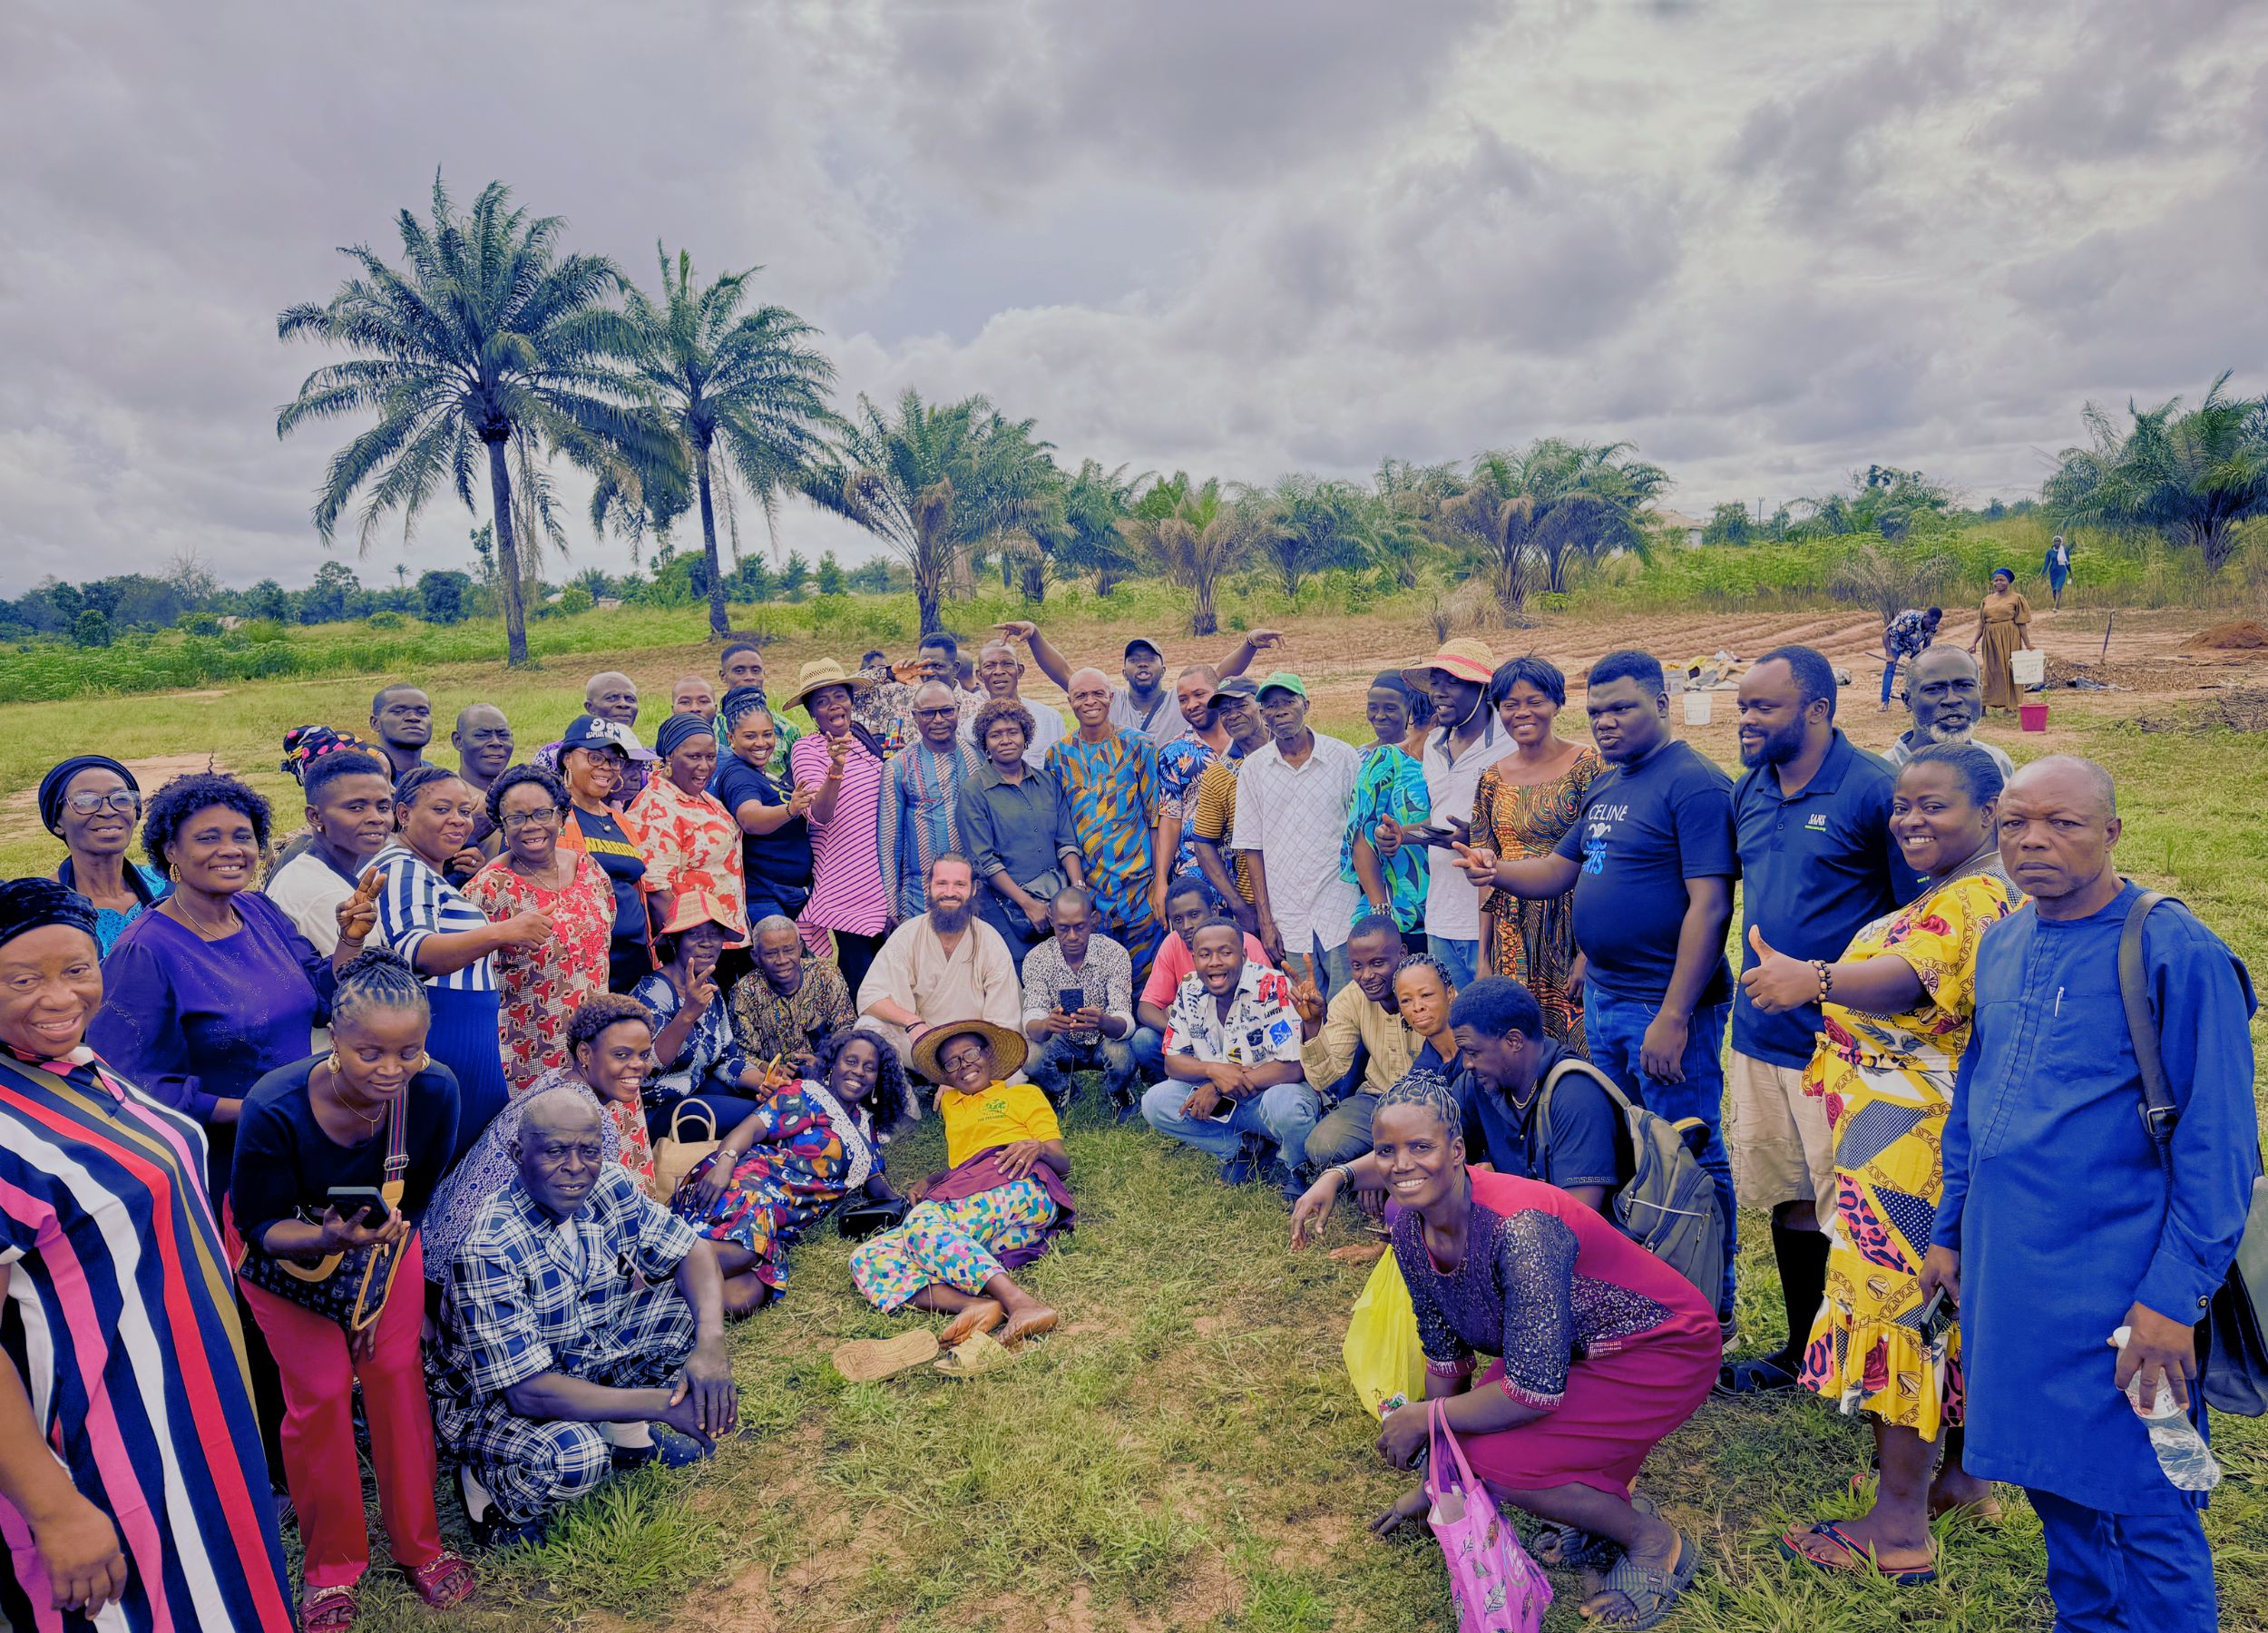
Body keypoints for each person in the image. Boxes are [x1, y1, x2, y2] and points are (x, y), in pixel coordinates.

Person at [1922, 757, 2257, 1632]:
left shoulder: (2171, 948)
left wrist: (2171, 1301)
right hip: (2014, 1284)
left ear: (2112, 832)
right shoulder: (2003, 940)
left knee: (2151, 1500)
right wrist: (1951, 1232)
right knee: (2051, 1480)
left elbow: (2221, 1149)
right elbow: (1976, 1103)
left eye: (2062, 823)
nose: (2034, 842)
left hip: (2126, 1291)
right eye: (2016, 825)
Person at [1739, 745, 2016, 1584]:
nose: (1909, 820)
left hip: (1908, 1147)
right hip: (1908, 1134)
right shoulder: (1966, 890)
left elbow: (1907, 981)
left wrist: (1814, 979)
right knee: (1943, 1313)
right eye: (1902, 805)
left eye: (1934, 805)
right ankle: (1961, 1480)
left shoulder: (1974, 897)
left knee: (1905, 1317)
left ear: (1989, 813)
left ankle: (1896, 1527)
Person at [0, 878, 297, 1633]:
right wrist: (56, 1507)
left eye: (76, 968)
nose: (58, 996)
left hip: (193, 1407)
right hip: (103, 1442)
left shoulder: (78, 1065)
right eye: (20, 979)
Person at [1328, 1077, 1715, 1629]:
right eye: (1387, 1150)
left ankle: (1654, 1542)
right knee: (1476, 1443)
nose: (1401, 1164)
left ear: (1457, 1152)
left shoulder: (1522, 1229)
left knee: (1497, 1464)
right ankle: (1596, 1508)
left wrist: (1424, 1419)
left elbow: (1532, 1393)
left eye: (1421, 1147)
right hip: (1566, 1345)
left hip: (1657, 1347)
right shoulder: (1405, 1222)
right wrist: (1437, 1481)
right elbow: (1445, 1352)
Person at [1448, 650, 1738, 1322]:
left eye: (1623, 708)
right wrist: (1494, 873)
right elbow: (1556, 869)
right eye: (1598, 710)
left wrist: (1674, 1015)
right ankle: (1632, 1290)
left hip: (1661, 1008)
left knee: (1687, 1150)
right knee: (1618, 1147)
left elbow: (1710, 907)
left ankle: (1707, 1308)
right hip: (1605, 998)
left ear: (1662, 704)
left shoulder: (1693, 784)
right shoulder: (1612, 784)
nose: (1606, 722)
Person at [228, 952, 473, 1628]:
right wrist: (328, 1245)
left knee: (395, 1375)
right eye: (370, 1052)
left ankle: (419, 1546)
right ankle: (331, 1568)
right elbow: (258, 1223)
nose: (391, 1070)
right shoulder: (273, 1105)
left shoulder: (435, 1092)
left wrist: (370, 1291)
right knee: (323, 1394)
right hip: (286, 1257)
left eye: (409, 1052)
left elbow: (415, 1203)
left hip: (382, 1245)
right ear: (333, 1037)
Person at [1721, 646, 1916, 1395]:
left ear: (1818, 710)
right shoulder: (1752, 789)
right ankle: (1802, 1351)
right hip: (1763, 1036)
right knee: (1791, 1195)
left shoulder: (1873, 792)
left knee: (1858, 1211)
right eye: (1742, 706)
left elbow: (1912, 924)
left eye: (1762, 707)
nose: (1746, 719)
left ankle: (1863, 1368)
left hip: (1848, 1044)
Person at [427, 1089, 737, 1548]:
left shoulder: (608, 1185)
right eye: (555, 1151)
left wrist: (711, 1343)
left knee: (686, 1312)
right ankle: (489, 1491)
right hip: (490, 1401)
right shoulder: (488, 1247)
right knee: (576, 1457)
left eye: (588, 1150)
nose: (575, 1167)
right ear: (518, 1154)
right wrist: (662, 1405)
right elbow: (529, 1394)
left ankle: (626, 1434)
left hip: (577, 1348)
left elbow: (692, 1250)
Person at [89, 773, 370, 1192]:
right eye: (207, 838)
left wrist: (350, 939)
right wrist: (254, 1110)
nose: (231, 850)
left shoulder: (257, 910)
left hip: (300, 1136)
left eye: (243, 836)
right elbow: (128, 1082)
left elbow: (320, 997)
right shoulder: (144, 952)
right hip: (221, 1163)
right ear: (171, 851)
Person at [1292, 973, 1628, 1230]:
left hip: (1583, 1254)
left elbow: (1580, 1224)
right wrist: (1338, 1177)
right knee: (1404, 1206)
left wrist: (1487, 1211)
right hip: (1525, 1227)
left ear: (1513, 1041)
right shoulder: (1480, 1083)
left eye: (1473, 1052)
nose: (1465, 1063)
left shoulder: (1575, 1094)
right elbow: (1419, 1145)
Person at [847, 1022, 1069, 1345]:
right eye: (953, 1063)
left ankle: (1022, 1304)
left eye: (971, 1054)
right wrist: (932, 1179)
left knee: (922, 1223)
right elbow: (966, 1166)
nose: (965, 1066)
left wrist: (1039, 1147)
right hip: (982, 1206)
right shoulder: (951, 1105)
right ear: (946, 1075)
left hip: (1022, 1185)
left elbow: (1062, 1164)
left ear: (989, 1055)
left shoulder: (1024, 1094)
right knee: (868, 1258)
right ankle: (979, 1306)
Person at [367, 765, 545, 1164]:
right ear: (404, 814)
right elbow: (417, 952)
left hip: (465, 1041)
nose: (457, 821)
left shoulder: (429, 873)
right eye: (442, 809)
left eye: (465, 812)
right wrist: (504, 932)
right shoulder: (401, 868)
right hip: (444, 1035)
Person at [673, 1027, 906, 1315]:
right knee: (742, 1253)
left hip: (778, 1224)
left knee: (742, 1299)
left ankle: (656, 1279)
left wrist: (905, 1203)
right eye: (851, 1061)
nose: (859, 1071)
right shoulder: (806, 1094)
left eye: (869, 1068)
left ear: (877, 1080)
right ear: (832, 1064)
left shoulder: (864, 1125)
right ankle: (654, 1267)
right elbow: (751, 1128)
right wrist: (725, 1161)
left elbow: (874, 1179)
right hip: (748, 1185)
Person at [421, 999, 640, 1283]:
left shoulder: (553, 1079)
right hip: (474, 1274)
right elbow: (595, 1227)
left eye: (642, 1055)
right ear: (585, 1053)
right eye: (621, 1055)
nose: (636, 1066)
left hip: (430, 1250)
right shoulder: (593, 1123)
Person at [1467, 656, 1600, 1048]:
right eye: (1509, 705)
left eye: (1535, 701)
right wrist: (1484, 957)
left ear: (1557, 703)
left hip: (1574, 928)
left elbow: (1603, 863)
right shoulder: (1491, 778)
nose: (1522, 713)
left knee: (1581, 1046)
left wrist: (1588, 954)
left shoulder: (1588, 766)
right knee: (1520, 1045)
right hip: (1513, 934)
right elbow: (1484, 872)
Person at [1140, 919, 1318, 1199]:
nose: (1215, 962)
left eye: (1226, 952)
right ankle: (1243, 1148)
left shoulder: (1272, 986)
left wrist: (1217, 1087)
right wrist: (1213, 1071)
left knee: (1288, 1106)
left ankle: (1297, 1167)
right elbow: (1171, 1063)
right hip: (1227, 1103)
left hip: (1266, 1096)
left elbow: (1294, 1068)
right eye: (1205, 954)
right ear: (1194, 958)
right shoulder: (1188, 989)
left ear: (1244, 956)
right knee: (1155, 1102)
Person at [463, 766, 613, 1093]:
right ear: (502, 826)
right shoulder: (488, 888)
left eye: (542, 814)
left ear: (561, 816)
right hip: (531, 1054)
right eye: (516, 818)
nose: (531, 826)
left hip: (598, 1045)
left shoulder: (589, 869)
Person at [1234, 672, 1361, 994]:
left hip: (1340, 906)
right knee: (1305, 1009)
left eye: (1288, 702)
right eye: (1271, 706)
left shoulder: (1343, 757)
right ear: (1263, 716)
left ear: (1306, 704)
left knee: (1351, 1003)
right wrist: (1265, 919)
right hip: (1288, 915)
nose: (1280, 711)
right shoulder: (1254, 769)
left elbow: (1360, 834)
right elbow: (1252, 847)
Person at [1394, 639, 1503, 987]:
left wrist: (1476, 838)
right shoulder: (1434, 745)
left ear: (1482, 689)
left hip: (1491, 918)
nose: (1439, 693)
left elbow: (1528, 829)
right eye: (1435, 683)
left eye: (1452, 683)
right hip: (1441, 916)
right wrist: (1403, 834)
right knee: (1455, 1025)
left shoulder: (1509, 741)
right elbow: (1441, 820)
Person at [857, 854, 1022, 1079]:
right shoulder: (909, 934)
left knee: (1013, 1076)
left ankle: (960, 1084)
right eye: (942, 884)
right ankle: (905, 1104)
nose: (950, 892)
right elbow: (871, 996)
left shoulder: (990, 941)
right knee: (868, 1027)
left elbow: (1003, 1024)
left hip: (974, 1056)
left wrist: (962, 1063)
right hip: (920, 1045)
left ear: (974, 889)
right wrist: (912, 1022)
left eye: (959, 884)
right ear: (929, 887)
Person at [994, 620, 1282, 748]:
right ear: (1123, 671)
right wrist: (1035, 636)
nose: (1142, 663)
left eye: (1149, 658)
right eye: (1134, 659)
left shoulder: (1179, 701)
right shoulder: (1109, 701)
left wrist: (1249, 644)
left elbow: (1216, 675)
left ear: (1164, 668)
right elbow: (1067, 675)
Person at [1047, 667, 1164, 983]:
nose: (1090, 701)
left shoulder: (1139, 746)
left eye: (1098, 693)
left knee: (1145, 984)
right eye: (1080, 695)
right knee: (1101, 988)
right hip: (1090, 898)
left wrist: (1160, 881)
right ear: (1069, 702)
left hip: (1140, 892)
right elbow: (1061, 828)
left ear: (1111, 697)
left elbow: (1156, 818)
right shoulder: (1058, 756)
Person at [786, 660, 892, 995]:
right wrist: (835, 768)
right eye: (821, 701)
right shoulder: (807, 749)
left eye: (839, 696)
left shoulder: (864, 741)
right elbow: (819, 814)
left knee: (891, 973)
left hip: (880, 877)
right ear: (812, 713)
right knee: (863, 980)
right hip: (846, 882)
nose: (834, 705)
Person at [961, 696, 1088, 971]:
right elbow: (984, 860)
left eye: (1012, 732)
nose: (1005, 740)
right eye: (995, 735)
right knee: (1019, 983)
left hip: (1057, 910)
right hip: (1007, 914)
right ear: (985, 743)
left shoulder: (1047, 782)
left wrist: (1078, 893)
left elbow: (1066, 843)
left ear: (1025, 736)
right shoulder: (974, 790)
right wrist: (1028, 904)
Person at [634, 904, 782, 1132]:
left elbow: (726, 1057)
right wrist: (687, 1016)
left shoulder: (710, 987)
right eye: (693, 934)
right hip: (657, 1108)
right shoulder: (653, 991)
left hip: (696, 1089)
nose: (706, 942)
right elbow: (648, 1066)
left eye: (714, 934)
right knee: (766, 1118)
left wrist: (764, 1082)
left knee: (774, 1101)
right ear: (674, 942)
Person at [1290, 914, 1416, 1168]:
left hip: (1427, 1104)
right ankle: (1376, 1163)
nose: (1366, 976)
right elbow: (1323, 1078)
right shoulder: (1350, 998)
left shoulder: (1428, 987)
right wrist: (1312, 1025)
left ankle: (1374, 1166)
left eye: (1377, 963)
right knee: (1320, 1146)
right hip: (1376, 1100)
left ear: (1402, 954)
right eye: (1357, 966)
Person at [552, 714, 659, 993]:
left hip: (633, 960)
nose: (607, 768)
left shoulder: (619, 819)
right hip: (583, 966)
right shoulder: (553, 817)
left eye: (614, 760)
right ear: (567, 759)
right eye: (595, 757)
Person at [628, 710, 748, 944]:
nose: (705, 766)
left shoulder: (703, 797)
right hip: (698, 943)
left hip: (728, 934)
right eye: (694, 757)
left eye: (711, 757)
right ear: (670, 757)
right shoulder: (655, 808)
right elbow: (657, 891)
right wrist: (689, 950)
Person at [1133, 874, 1273, 1075]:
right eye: (1178, 919)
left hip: (1246, 1043)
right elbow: (1146, 1008)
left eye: (1194, 914)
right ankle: (1187, 1084)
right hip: (1194, 1043)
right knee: (1143, 1040)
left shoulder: (1246, 943)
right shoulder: (1173, 944)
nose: (1187, 926)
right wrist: (1185, 1033)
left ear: (1214, 911)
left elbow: (1270, 1008)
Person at [265, 749, 398, 955]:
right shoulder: (329, 897)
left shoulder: (308, 865)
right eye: (356, 807)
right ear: (315, 817)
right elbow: (364, 982)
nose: (376, 818)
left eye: (383, 806)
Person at [1019, 886, 1139, 1114]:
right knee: (1030, 1056)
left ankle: (1117, 1090)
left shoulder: (1114, 953)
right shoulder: (1037, 958)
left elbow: (1126, 1020)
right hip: (1061, 1042)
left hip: (1104, 1040)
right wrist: (1046, 1025)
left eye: (1080, 927)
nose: (1072, 936)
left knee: (1122, 1057)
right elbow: (1031, 1017)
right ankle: (1062, 1088)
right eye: (1063, 928)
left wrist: (1104, 1021)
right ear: (1051, 920)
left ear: (1093, 921)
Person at [38, 755, 169, 955]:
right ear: (57, 822)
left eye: (121, 799)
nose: (107, 812)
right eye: (85, 801)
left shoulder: (170, 885)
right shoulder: (40, 908)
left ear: (135, 815)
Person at [710, 686, 816, 926]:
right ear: (730, 738)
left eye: (767, 734)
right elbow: (749, 817)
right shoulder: (738, 775)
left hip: (785, 894)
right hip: (764, 896)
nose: (761, 743)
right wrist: (790, 809)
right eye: (750, 736)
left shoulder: (758, 773)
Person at [879, 681, 982, 923]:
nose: (938, 720)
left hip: (973, 892)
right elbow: (889, 841)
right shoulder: (898, 766)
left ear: (958, 710)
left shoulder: (977, 757)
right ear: (915, 716)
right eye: (928, 713)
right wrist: (891, 905)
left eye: (946, 711)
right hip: (920, 895)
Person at [1342, 673, 1432, 938]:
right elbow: (1362, 837)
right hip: (1399, 913)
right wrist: (1381, 910)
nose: (1380, 715)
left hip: (1444, 910)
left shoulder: (1450, 762)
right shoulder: (1386, 760)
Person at [1150, 664, 1239, 923]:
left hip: (1246, 868)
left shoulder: (1246, 742)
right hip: (1195, 870)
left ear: (1218, 693)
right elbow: (1170, 817)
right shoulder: (1173, 752)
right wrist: (1161, 882)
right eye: (1183, 699)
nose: (1192, 704)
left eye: (1200, 694)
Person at [727, 914, 856, 1087]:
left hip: (829, 1075)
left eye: (788, 950)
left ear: (800, 948)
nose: (781, 960)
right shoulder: (745, 992)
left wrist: (825, 1060)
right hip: (775, 1084)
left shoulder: (826, 975)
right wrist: (768, 1068)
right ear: (755, 956)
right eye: (771, 953)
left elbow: (847, 1028)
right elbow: (741, 1052)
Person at [1187, 677, 1270, 933]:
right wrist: (1241, 909)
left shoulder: (1291, 755)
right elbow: (1203, 845)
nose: (1232, 715)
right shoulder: (1219, 775)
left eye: (1241, 706)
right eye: (1225, 711)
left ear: (1261, 707)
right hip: (1254, 902)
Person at [1883, 646, 2014, 781]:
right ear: (1907, 701)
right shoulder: (1884, 775)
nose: (1952, 700)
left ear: (1980, 692)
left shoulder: (1998, 762)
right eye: (1934, 689)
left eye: (1965, 686)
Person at [535, 671, 651, 807]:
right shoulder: (551, 755)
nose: (623, 704)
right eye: (612, 698)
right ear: (590, 707)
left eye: (630, 699)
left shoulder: (642, 755)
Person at [964, 639, 1066, 768]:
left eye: (1007, 664)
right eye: (989, 666)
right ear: (980, 675)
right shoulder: (969, 728)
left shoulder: (1050, 719)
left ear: (1020, 671)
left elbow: (1062, 768)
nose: (998, 671)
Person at [719, 639, 801, 779]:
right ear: (723, 676)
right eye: (739, 671)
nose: (749, 677)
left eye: (756, 670)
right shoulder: (711, 727)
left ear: (764, 674)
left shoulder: (787, 730)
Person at [450, 704, 516, 854]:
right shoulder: (442, 796)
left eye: (503, 735)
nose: (496, 742)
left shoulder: (525, 793)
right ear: (458, 741)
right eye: (482, 735)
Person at [1968, 567, 2034, 712]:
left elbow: (2021, 623)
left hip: (2010, 637)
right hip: (1990, 638)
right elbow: (1981, 624)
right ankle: (1983, 706)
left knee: (2010, 670)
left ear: (2008, 582)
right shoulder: (1987, 600)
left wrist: (2028, 644)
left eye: (2002, 580)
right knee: (1989, 670)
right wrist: (1974, 642)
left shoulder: (2016, 598)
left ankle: (2010, 706)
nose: (1998, 583)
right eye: (1996, 580)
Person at [914, 631, 987, 736]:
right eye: (924, 666)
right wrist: (890, 673)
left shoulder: (978, 709)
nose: (929, 672)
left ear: (955, 668)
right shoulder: (903, 699)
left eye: (937, 666)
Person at [850, 650, 916, 758]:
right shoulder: (854, 703)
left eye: (883, 668)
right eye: (876, 671)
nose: (882, 679)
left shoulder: (897, 700)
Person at [1878, 607, 1943, 711]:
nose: (1931, 626)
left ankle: (1909, 701)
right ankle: (1884, 702)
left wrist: (1923, 661)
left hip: (1912, 646)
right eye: (1930, 623)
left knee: (1918, 671)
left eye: (1934, 624)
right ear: (1926, 616)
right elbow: (1885, 633)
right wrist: (1889, 654)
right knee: (1890, 669)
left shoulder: (1933, 628)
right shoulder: (1908, 619)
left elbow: (1926, 645)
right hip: (1896, 642)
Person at [368, 685, 435, 781]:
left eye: (423, 712)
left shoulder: (437, 777)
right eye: (399, 711)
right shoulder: (361, 777)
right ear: (375, 723)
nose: (413, 717)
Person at [2044, 533, 2073, 609]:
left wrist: (2070, 573)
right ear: (2053, 542)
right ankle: (2057, 606)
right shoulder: (2049, 552)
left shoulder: (2064, 551)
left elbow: (2067, 562)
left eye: (2059, 541)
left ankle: (2055, 606)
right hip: (2053, 572)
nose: (2057, 542)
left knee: (2058, 588)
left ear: (2061, 542)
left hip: (2062, 571)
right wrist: (2042, 573)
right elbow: (2046, 564)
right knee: (2054, 590)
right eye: (2055, 541)